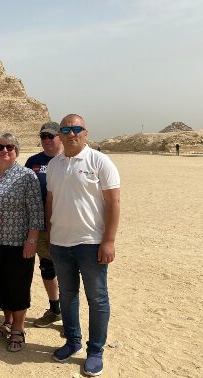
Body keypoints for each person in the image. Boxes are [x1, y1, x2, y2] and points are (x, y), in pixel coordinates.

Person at [46, 114, 120, 377]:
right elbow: (51, 202)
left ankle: (95, 350)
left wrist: (108, 241)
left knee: (97, 298)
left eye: (76, 129)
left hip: (90, 243)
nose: (70, 133)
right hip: (60, 243)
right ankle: (73, 341)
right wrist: (49, 234)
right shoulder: (54, 165)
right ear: (60, 134)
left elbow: (113, 203)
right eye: (65, 129)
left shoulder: (100, 161)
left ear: (85, 132)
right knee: (67, 296)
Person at [0, 133, 44, 352]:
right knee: (0, 285)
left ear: (16, 150)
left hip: (18, 242)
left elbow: (36, 211)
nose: (4, 151)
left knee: (18, 286)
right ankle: (7, 321)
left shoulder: (27, 176)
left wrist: (32, 240)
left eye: (9, 147)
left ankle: (18, 328)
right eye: (0, 147)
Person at [24, 122, 63, 328]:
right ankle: (55, 308)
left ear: (59, 137)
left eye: (51, 136)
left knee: (67, 270)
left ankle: (70, 315)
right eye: (43, 136)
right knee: (47, 268)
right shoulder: (33, 161)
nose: (47, 140)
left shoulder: (68, 159)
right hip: (40, 225)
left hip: (65, 225)